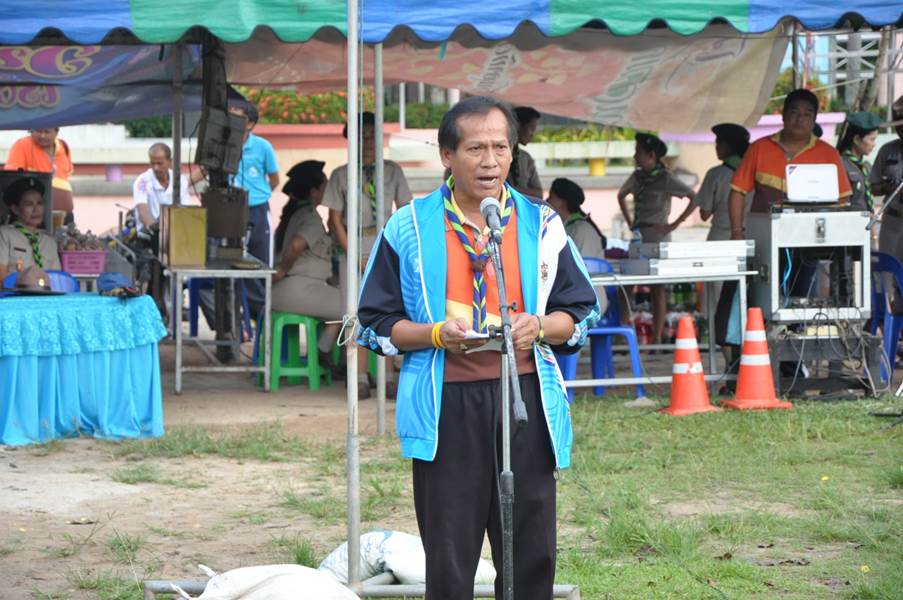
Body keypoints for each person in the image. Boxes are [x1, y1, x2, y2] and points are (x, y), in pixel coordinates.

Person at [357, 96, 600, 600]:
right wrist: (435, 335)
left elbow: (579, 310)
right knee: (450, 549)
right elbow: (374, 321)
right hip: (446, 403)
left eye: (500, 148)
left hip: (524, 398)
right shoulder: (408, 226)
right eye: (475, 149)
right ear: (447, 155)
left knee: (531, 546)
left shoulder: (541, 224)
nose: (490, 161)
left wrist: (539, 326)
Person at [323, 111, 412, 397]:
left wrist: (396, 250)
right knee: (354, 314)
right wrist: (354, 256)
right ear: (351, 140)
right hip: (353, 245)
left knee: (388, 311)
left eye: (373, 136)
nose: (368, 143)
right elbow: (334, 220)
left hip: (385, 246)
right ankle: (359, 377)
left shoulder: (392, 171)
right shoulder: (341, 174)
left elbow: (406, 211)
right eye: (362, 137)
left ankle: (387, 377)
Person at [728, 88, 852, 238]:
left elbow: (843, 199)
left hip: (812, 238)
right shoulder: (759, 148)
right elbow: (737, 192)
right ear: (783, 115)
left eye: (807, 114)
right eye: (794, 112)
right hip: (765, 234)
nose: (800, 119)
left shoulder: (829, 154)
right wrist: (736, 231)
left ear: (814, 120)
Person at [617, 132, 696, 344]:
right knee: (626, 284)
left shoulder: (665, 178)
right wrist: (630, 221)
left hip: (658, 236)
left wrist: (674, 224)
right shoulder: (637, 176)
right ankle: (622, 333)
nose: (635, 156)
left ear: (651, 155)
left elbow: (693, 197)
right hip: (639, 235)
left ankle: (658, 337)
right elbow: (621, 195)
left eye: (639, 152)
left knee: (657, 288)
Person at [271, 160, 342, 363]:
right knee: (355, 307)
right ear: (313, 192)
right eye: (325, 185)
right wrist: (282, 269)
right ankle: (322, 351)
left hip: (293, 290)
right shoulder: (310, 217)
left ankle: (324, 350)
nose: (329, 189)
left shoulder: (296, 213)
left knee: (343, 304)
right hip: (298, 290)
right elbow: (296, 245)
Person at [871, 96, 903, 310]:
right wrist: (887, 187)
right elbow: (873, 187)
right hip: (893, 221)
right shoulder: (887, 150)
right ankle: (892, 319)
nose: (901, 130)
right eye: (898, 126)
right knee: (889, 274)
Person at [4, 128, 75, 223]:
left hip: (65, 217)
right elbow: (11, 178)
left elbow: (66, 177)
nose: (42, 135)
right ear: (31, 130)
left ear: (56, 132)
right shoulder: (22, 145)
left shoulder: (63, 146)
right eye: (38, 131)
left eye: (47, 132)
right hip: (36, 219)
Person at [696, 123, 751, 241]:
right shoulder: (755, 172)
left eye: (717, 144)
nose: (716, 148)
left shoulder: (716, 174)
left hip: (721, 238)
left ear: (726, 145)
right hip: (750, 236)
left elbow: (704, 215)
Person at [0, 176, 61, 282]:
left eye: (40, 203)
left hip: (45, 292)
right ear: (15, 209)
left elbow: (56, 279)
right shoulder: (4, 235)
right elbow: (1, 278)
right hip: (14, 292)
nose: (36, 209)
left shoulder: (49, 241)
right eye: (29, 204)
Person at [132, 143, 191, 230]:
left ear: (170, 162)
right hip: (149, 233)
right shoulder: (142, 181)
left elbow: (185, 210)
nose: (155, 168)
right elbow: (143, 212)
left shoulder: (181, 180)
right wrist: (155, 230)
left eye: (160, 163)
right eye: (152, 163)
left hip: (174, 232)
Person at [546, 177, 606, 258]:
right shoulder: (569, 226)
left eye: (550, 197)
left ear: (561, 202)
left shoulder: (581, 230)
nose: (546, 201)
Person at [838, 111, 883, 214]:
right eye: (871, 139)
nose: (874, 144)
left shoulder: (865, 167)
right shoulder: (841, 165)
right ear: (857, 139)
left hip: (867, 221)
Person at [507, 106, 543, 198]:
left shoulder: (526, 158)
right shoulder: (498, 155)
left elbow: (539, 194)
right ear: (517, 126)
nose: (532, 134)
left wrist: (514, 190)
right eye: (531, 128)